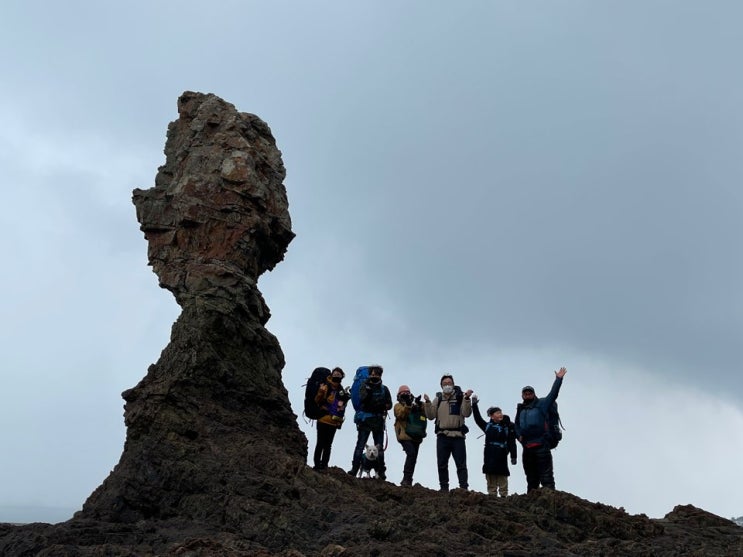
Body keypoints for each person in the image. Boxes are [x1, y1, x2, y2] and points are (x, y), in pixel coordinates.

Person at [514, 367, 567, 492]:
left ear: (534, 394)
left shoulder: (542, 405)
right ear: (522, 395)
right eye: (525, 394)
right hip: (527, 448)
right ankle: (531, 506)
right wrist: (518, 435)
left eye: (530, 393)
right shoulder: (521, 409)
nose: (527, 395)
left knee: (546, 478)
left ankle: (551, 504)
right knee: (531, 480)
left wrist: (558, 379)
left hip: (542, 445)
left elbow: (553, 394)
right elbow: (516, 425)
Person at [423, 374, 473, 492]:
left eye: (449, 383)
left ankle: (463, 488)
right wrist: (428, 402)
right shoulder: (438, 399)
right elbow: (430, 416)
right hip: (442, 436)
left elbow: (466, 413)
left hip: (458, 436)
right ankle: (444, 488)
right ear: (441, 386)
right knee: (442, 464)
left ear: (453, 384)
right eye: (445, 384)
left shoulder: (460, 397)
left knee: (461, 464)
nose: (447, 386)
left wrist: (466, 399)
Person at [348, 366, 392, 479]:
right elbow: (363, 399)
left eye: (376, 374)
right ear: (369, 375)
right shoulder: (366, 386)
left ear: (380, 375)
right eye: (372, 374)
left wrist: (380, 404)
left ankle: (379, 471)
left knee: (373, 447)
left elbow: (389, 404)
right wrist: (379, 404)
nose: (374, 376)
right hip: (368, 420)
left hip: (374, 421)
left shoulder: (384, 389)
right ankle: (356, 469)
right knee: (362, 446)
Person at [471, 398, 517, 496]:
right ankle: (492, 495)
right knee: (490, 474)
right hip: (489, 454)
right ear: (492, 416)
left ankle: (504, 495)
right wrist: (474, 405)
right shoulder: (487, 426)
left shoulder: (507, 427)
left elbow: (512, 443)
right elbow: (478, 419)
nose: (500, 414)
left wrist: (514, 456)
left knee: (503, 474)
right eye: (497, 413)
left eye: (500, 412)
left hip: (501, 454)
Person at [312, 367, 348, 470]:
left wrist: (339, 422)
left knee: (327, 445)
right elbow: (317, 401)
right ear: (331, 374)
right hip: (323, 419)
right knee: (321, 443)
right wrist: (320, 392)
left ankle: (323, 466)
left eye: (339, 374)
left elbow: (342, 409)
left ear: (342, 376)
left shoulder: (341, 391)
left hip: (333, 421)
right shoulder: (325, 386)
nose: (337, 375)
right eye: (335, 373)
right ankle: (317, 465)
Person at [393, 385, 426, 487]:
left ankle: (408, 480)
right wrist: (407, 405)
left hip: (416, 435)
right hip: (404, 435)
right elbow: (401, 415)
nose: (405, 395)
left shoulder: (415, 404)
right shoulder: (397, 406)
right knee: (411, 453)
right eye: (403, 393)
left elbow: (426, 414)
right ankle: (406, 479)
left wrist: (420, 404)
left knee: (413, 457)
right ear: (399, 395)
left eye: (407, 393)